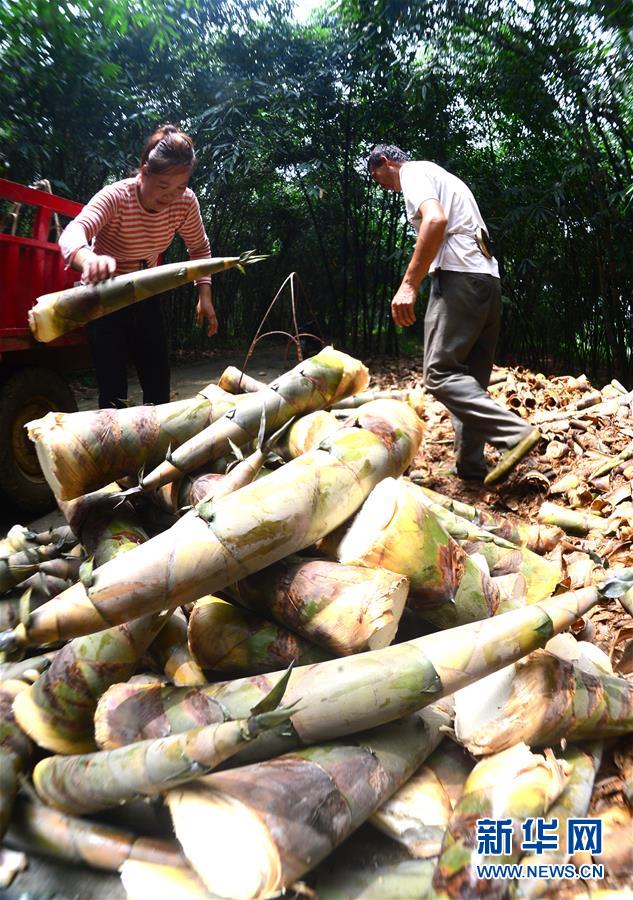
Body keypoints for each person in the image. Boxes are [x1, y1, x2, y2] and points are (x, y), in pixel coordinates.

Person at [367, 143, 539, 485]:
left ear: (385, 162)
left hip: (458, 278)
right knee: (471, 382)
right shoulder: (442, 175)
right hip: (486, 281)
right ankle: (471, 467)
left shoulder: (414, 172)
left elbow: (435, 220)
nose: (381, 185)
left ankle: (515, 434)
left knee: (440, 374)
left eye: (377, 177)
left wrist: (408, 285)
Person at [59, 124, 217, 409]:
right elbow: (74, 232)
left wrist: (204, 296)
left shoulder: (185, 202)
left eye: (180, 186)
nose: (171, 195)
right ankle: (114, 449)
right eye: (163, 185)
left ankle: (159, 451)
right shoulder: (117, 197)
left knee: (158, 382)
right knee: (113, 390)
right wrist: (88, 259)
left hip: (144, 293)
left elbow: (199, 248)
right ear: (145, 171)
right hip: (103, 297)